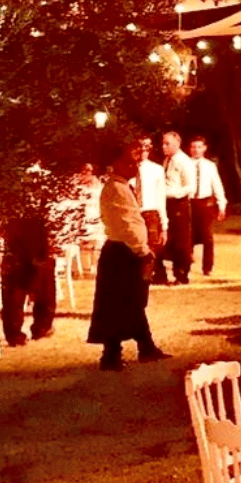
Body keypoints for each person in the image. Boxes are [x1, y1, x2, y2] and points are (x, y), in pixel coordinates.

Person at [87, 137, 166, 370]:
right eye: (129, 160)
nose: (135, 164)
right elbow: (127, 224)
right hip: (122, 252)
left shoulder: (122, 187)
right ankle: (113, 354)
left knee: (131, 302)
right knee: (119, 303)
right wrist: (143, 251)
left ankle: (144, 347)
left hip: (123, 250)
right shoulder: (116, 189)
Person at [0, 178, 55, 347]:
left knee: (40, 285)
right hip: (20, 232)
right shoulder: (9, 178)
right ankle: (20, 332)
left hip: (31, 231)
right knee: (17, 288)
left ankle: (38, 327)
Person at [186, 136, 227, 279]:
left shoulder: (210, 166)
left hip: (205, 203)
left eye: (199, 147)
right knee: (188, 236)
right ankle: (186, 265)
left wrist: (222, 206)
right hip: (188, 202)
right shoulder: (184, 164)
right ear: (189, 148)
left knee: (207, 237)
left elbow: (217, 186)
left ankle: (207, 267)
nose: (196, 150)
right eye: (193, 147)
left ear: (204, 148)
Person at [159, 130, 194, 284]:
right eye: (163, 143)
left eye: (167, 144)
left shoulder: (184, 161)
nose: (163, 147)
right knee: (168, 239)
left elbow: (190, 186)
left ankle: (182, 273)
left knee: (181, 240)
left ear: (177, 144)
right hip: (166, 203)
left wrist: (173, 193)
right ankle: (166, 273)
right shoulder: (167, 160)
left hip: (178, 203)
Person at [136, 138, 167, 271]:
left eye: (147, 147)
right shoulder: (127, 169)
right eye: (140, 147)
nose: (143, 151)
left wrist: (164, 225)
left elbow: (161, 197)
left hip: (150, 212)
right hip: (133, 212)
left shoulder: (156, 169)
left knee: (152, 248)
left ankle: (151, 275)